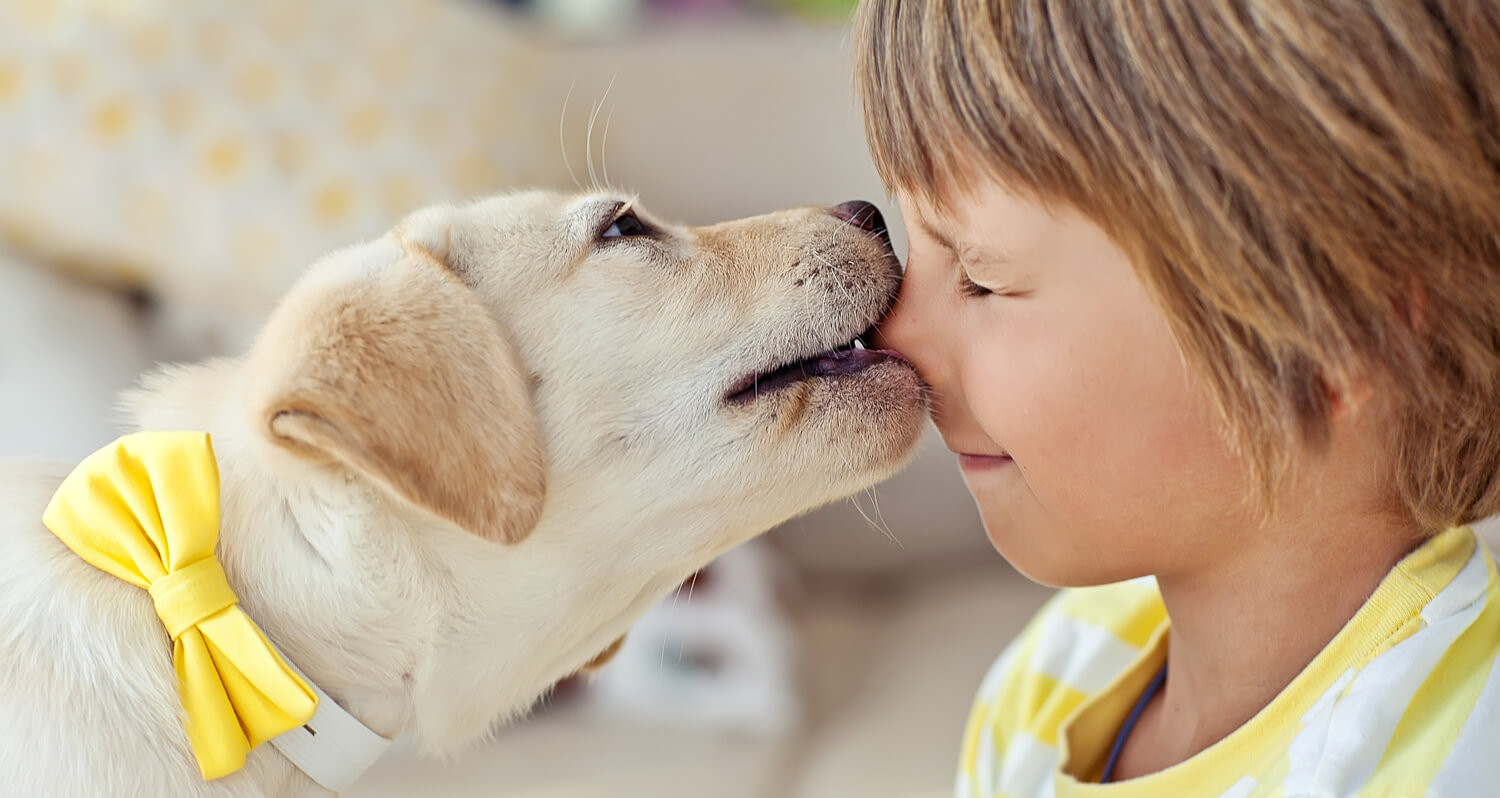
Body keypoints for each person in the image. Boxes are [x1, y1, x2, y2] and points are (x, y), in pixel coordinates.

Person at [856, 1, 1500, 794]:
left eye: (981, 277)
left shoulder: (1459, 756)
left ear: (1330, 331)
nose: (889, 333)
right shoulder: (1049, 683)